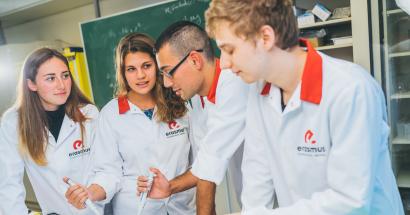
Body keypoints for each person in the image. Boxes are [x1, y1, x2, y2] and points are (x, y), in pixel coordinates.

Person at [205, 0, 405, 214]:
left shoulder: (350, 90)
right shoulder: (260, 94)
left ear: (265, 37)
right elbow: (257, 179)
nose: (223, 64)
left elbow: (350, 202)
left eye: (229, 50)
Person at [64, 32, 196, 214]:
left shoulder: (180, 102)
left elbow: (198, 163)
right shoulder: (111, 114)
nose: (140, 75)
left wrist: (174, 187)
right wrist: (90, 193)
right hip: (137, 209)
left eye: (146, 66)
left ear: (157, 65)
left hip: (182, 207)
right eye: (131, 69)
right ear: (123, 73)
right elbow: (108, 172)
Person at [137, 21, 248, 215]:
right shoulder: (197, 99)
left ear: (195, 60)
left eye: (168, 72)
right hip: (253, 201)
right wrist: (170, 187)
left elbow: (210, 164)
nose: (166, 83)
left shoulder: (233, 83)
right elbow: (203, 164)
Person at [0, 48, 100, 214]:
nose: (61, 85)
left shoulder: (88, 113)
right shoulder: (14, 122)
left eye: (65, 75)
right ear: (31, 84)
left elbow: (107, 168)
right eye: (51, 78)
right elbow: (8, 185)